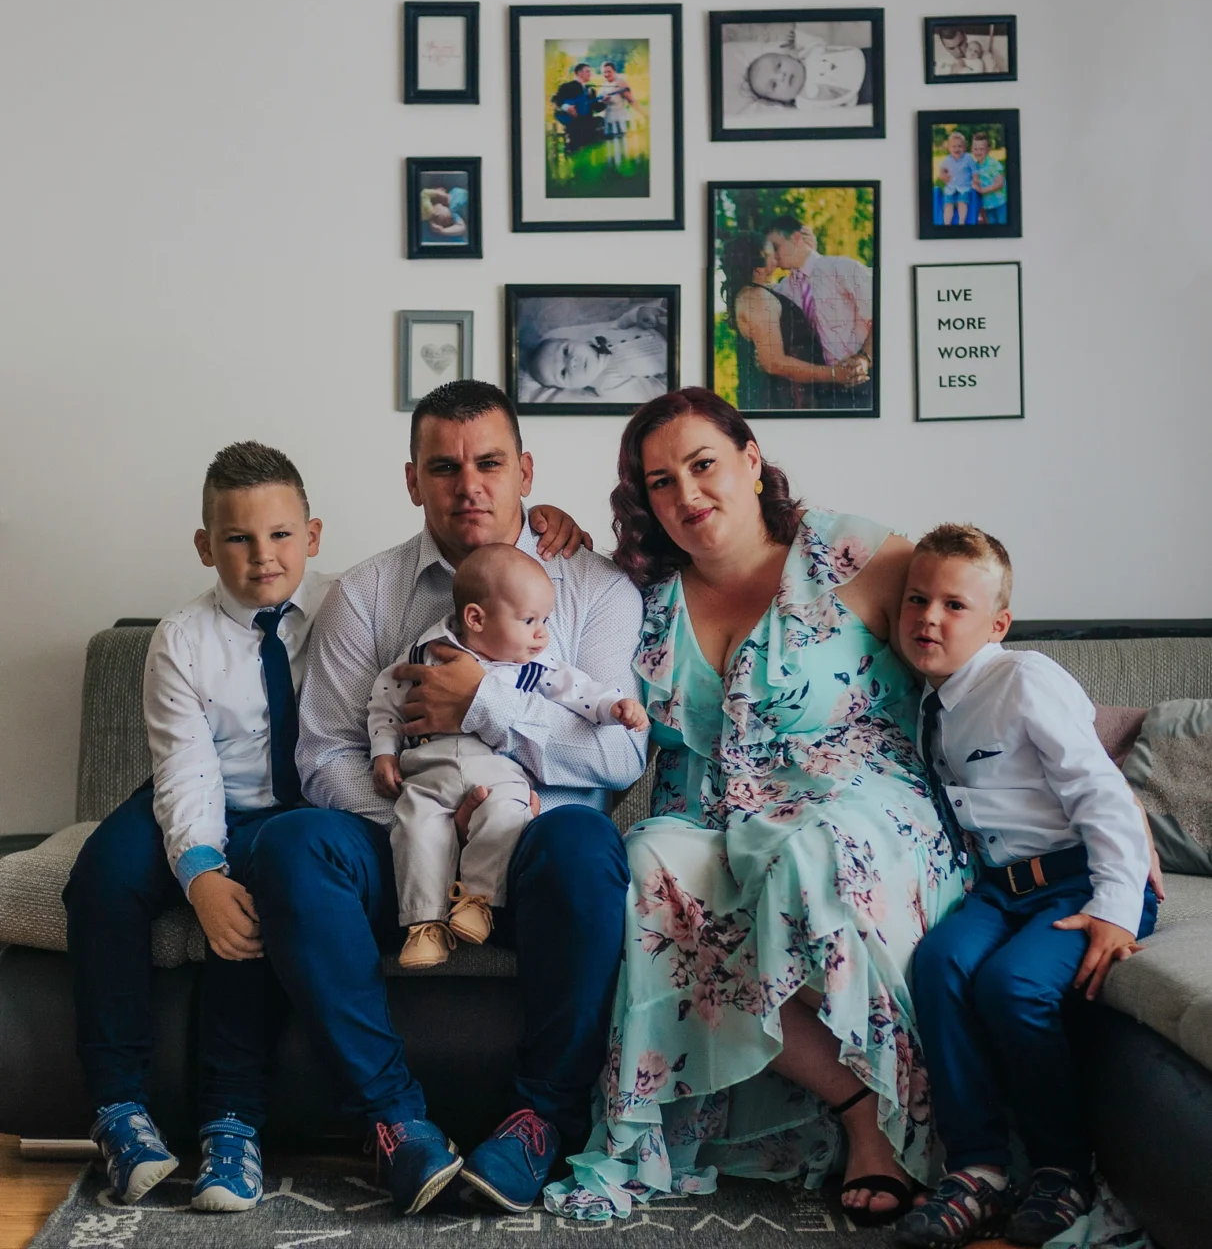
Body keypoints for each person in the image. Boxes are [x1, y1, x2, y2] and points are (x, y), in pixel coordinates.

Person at [545, 387, 968, 1226]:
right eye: (661, 482)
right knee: (649, 865)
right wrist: (543, 522)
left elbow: (980, 647)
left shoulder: (849, 553)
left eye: (704, 464)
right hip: (711, 822)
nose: (688, 494)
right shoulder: (642, 600)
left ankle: (900, 1127)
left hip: (857, 804)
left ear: (750, 460)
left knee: (803, 854)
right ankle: (858, 1109)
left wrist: (1095, 784)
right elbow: (522, 618)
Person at [246, 381, 647, 1217]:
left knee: (586, 847)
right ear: (412, 480)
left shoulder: (594, 592)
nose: (470, 485)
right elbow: (324, 755)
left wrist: (484, 713)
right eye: (444, 466)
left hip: (529, 839)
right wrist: (425, 816)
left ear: (524, 468)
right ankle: (394, 1121)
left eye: (490, 463)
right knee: (292, 846)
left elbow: (616, 754)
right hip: (406, 837)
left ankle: (540, 1119)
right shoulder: (368, 594)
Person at [63, 441, 332, 1212]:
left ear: (311, 535)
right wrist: (200, 870)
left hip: (294, 813)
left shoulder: (350, 610)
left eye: (281, 534)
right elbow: (187, 771)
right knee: (101, 878)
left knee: (259, 895)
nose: (262, 557)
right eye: (238, 538)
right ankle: (120, 1112)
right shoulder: (180, 639)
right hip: (198, 790)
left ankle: (230, 1124)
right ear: (205, 544)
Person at [894, 526, 1156, 1249]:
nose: (930, 618)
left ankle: (1062, 1169)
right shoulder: (929, 703)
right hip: (1003, 889)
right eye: (917, 599)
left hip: (1082, 880)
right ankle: (977, 1167)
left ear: (997, 624)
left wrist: (1114, 907)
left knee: (1011, 985)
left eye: (955, 605)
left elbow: (1102, 794)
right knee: (939, 962)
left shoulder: (1024, 679)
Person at [368, 543, 649, 970]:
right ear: (476, 618)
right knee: (416, 830)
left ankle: (478, 903)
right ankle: (424, 925)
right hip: (427, 770)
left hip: (498, 771)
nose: (543, 634)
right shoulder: (424, 654)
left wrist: (615, 707)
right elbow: (385, 702)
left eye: (546, 620)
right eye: (530, 621)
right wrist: (384, 753)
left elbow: (579, 691)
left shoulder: (533, 667)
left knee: (508, 817)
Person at [719, 232, 867, 412]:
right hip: (790, 396)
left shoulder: (761, 293)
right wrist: (835, 374)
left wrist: (808, 252)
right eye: (770, 253)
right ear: (758, 268)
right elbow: (774, 362)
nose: (776, 257)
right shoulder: (756, 298)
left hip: (800, 391)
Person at [763, 218, 874, 406]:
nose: (772, 254)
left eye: (775, 246)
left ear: (797, 238)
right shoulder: (782, 291)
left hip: (867, 380)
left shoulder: (842, 269)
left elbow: (884, 317)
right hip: (825, 390)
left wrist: (865, 358)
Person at [526, 302, 669, 403]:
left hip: (660, 323)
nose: (572, 362)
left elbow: (621, 323)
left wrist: (638, 314)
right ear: (571, 388)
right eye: (563, 373)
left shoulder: (595, 335)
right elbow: (653, 392)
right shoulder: (608, 385)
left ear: (572, 340)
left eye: (565, 351)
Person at [551, 61, 603, 152]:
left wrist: (605, 102)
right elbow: (555, 100)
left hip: (588, 127)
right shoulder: (567, 86)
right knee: (575, 152)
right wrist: (567, 107)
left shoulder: (591, 90)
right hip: (574, 127)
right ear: (579, 73)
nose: (590, 74)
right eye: (588, 71)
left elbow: (597, 108)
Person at [598, 59, 635, 167]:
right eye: (604, 72)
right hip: (608, 117)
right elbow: (600, 103)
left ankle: (624, 165)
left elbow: (631, 100)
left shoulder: (620, 83)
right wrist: (602, 101)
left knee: (622, 142)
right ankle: (613, 167)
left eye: (608, 71)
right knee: (611, 143)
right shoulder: (603, 85)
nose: (606, 74)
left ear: (614, 71)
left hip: (620, 117)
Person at [937, 130, 976, 225]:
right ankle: (947, 223)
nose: (957, 149)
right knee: (948, 204)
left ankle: (961, 222)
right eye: (954, 146)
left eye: (960, 146)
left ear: (964, 148)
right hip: (950, 187)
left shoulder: (968, 158)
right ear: (949, 148)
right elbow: (941, 170)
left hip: (964, 187)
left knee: (962, 202)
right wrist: (942, 175)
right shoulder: (947, 159)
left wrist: (976, 180)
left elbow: (975, 171)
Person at [969, 132, 1008, 226]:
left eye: (981, 149)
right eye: (975, 149)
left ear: (988, 150)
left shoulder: (994, 164)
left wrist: (983, 190)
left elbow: (1000, 183)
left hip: (1000, 203)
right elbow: (974, 181)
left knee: (1003, 225)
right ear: (972, 150)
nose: (978, 152)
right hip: (987, 205)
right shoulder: (975, 167)